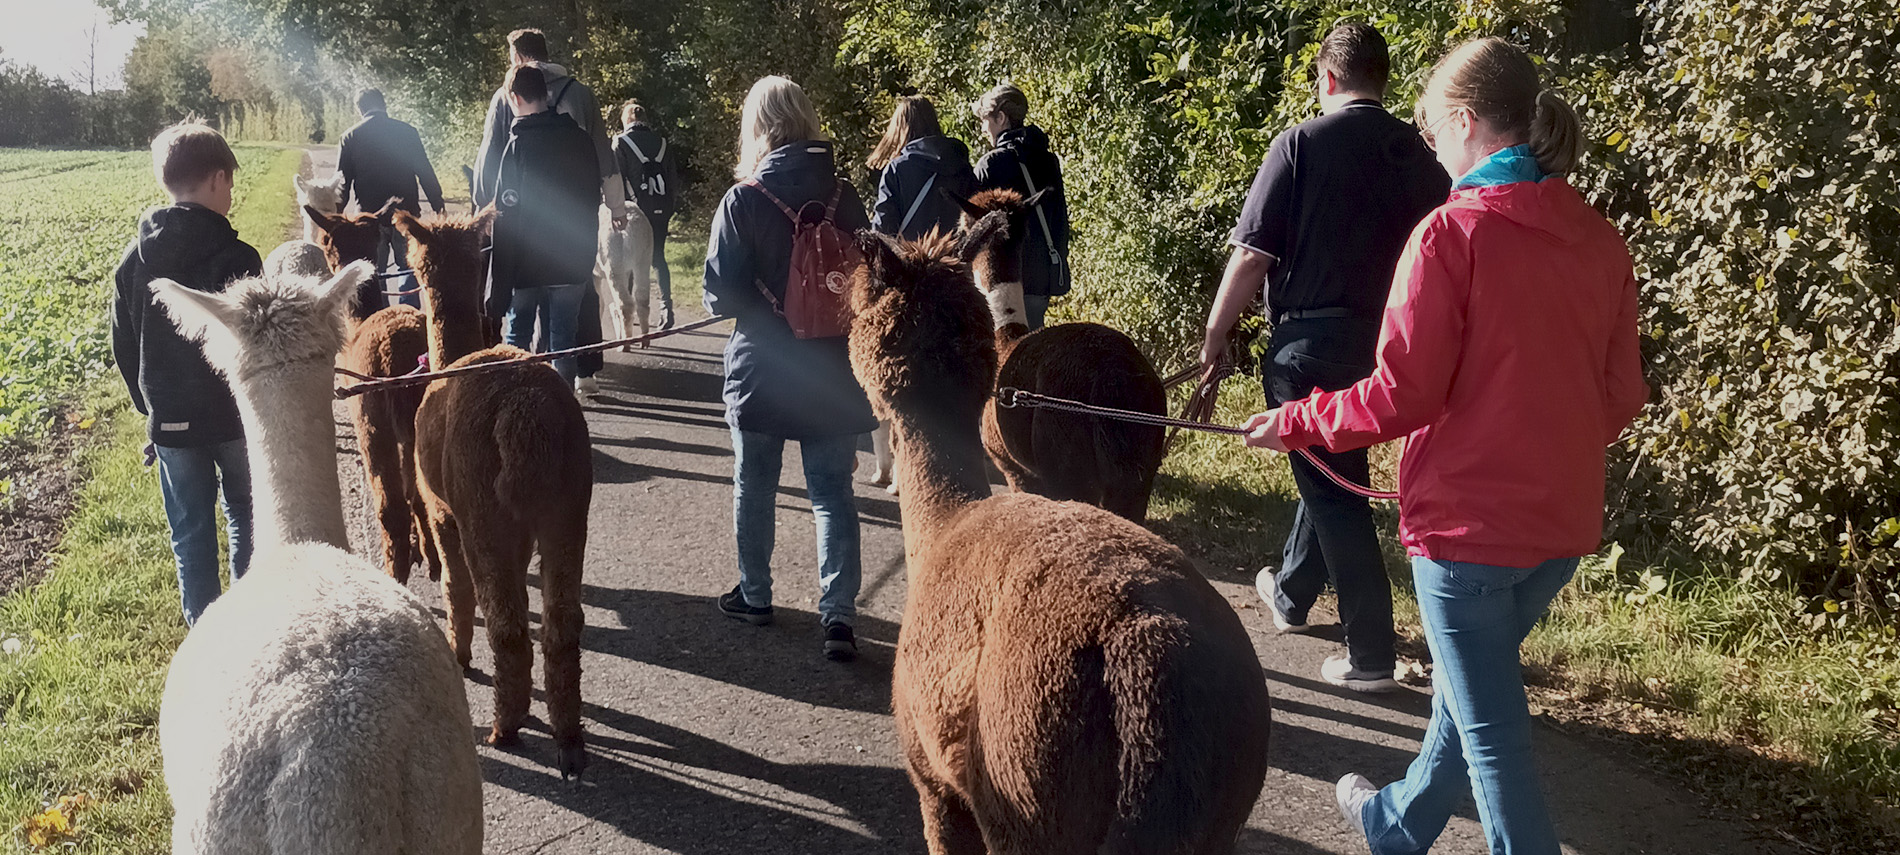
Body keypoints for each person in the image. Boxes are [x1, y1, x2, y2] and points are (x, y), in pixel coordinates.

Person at [1241, 37, 1648, 855]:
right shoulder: (1600, 239)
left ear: (1465, 121)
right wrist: (1539, 440)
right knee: (1470, 699)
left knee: (1495, 733)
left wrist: (1296, 419)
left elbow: (1401, 394)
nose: (1429, 146)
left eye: (1431, 130)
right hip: (1557, 531)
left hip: (1465, 538)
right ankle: (1399, 821)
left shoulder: (1449, 235)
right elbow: (1621, 396)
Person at [1201, 22, 1450, 693]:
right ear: (1383, 78)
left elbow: (1252, 255)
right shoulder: (1425, 161)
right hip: (1389, 351)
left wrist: (1214, 335)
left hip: (1307, 347)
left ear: (1328, 78)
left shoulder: (1300, 144)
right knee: (1332, 470)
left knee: (1336, 494)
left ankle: (1370, 651)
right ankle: (1290, 592)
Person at [702, 75, 875, 662]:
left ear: (757, 127)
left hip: (762, 367)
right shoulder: (846, 198)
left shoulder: (744, 199)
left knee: (756, 484)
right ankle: (840, 617)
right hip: (831, 369)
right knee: (832, 494)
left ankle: (755, 595)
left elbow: (719, 294)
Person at [111, 121, 261, 626]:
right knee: (246, 512)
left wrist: (151, 411)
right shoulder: (240, 258)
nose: (232, 194)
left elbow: (125, 349)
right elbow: (257, 345)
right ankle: (250, 622)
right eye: (231, 184)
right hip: (234, 418)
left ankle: (205, 634)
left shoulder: (133, 263)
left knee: (191, 532)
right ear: (218, 179)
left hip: (172, 422)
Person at [473, 27, 625, 395]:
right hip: (571, 239)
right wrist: (615, 205)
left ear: (517, 58)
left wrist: (484, 209)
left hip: (525, 243)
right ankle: (573, 390)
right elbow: (603, 154)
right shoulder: (582, 95)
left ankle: (514, 401)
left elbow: (489, 160)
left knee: (519, 326)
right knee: (566, 327)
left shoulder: (505, 99)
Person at [487, 64, 608, 386]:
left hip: (527, 263)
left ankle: (512, 403)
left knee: (517, 340)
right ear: (547, 94)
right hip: (571, 261)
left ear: (514, 98)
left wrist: (497, 286)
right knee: (563, 342)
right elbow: (590, 201)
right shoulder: (580, 140)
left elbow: (506, 215)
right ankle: (562, 408)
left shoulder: (518, 146)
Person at [336, 87, 444, 316]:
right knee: (408, 267)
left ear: (360, 109)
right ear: (384, 105)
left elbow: (343, 184)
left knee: (374, 273)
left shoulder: (350, 137)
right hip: (405, 216)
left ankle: (381, 319)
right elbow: (425, 171)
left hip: (369, 220)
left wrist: (337, 216)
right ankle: (409, 315)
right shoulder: (407, 132)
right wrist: (437, 203)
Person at [970, 83, 1069, 329]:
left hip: (1003, 277)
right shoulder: (1048, 160)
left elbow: (974, 228)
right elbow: (1060, 220)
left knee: (1004, 351)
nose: (984, 129)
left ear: (1001, 118)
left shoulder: (990, 164)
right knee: (1031, 347)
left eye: (985, 120)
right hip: (1041, 276)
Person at [614, 100, 682, 330]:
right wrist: (668, 208)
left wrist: (616, 209)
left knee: (631, 260)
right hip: (660, 210)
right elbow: (672, 180)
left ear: (626, 120)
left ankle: (632, 314)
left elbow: (617, 179)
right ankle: (666, 309)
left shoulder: (620, 143)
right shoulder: (662, 143)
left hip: (634, 210)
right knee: (658, 259)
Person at [868, 95, 976, 240]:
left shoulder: (897, 168)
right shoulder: (959, 163)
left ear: (901, 128)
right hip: (955, 256)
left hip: (913, 257)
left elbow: (884, 227)